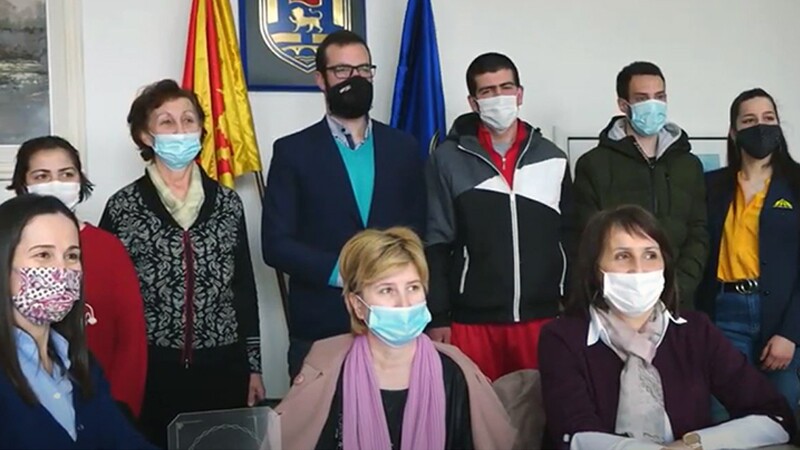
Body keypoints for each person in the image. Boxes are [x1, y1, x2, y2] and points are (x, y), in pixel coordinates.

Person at [538, 205, 795, 449]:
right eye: (622, 256)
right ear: (596, 270)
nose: (638, 269)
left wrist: (693, 444)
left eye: (650, 255)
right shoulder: (562, 338)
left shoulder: (695, 331)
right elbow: (575, 437)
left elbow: (775, 417)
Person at [99, 79, 264, 447]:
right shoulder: (123, 207)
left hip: (223, 369)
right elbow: (105, 299)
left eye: (188, 120)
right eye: (167, 122)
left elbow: (244, 289)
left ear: (202, 129)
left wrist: (254, 366)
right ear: (145, 135)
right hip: (150, 370)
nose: (180, 130)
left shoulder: (227, 204)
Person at [261, 30, 426, 379]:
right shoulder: (292, 152)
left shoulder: (405, 148)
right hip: (321, 327)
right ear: (321, 80)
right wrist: (348, 272)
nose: (355, 78)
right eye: (343, 71)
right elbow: (275, 245)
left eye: (364, 69)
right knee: (322, 431)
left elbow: (419, 230)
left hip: (395, 326)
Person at [274, 227, 516, 450]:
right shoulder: (328, 371)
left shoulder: (455, 372)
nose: (404, 303)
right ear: (357, 306)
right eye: (386, 290)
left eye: (413, 287)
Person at [425, 52, 576, 381]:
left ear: (520, 94)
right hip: (472, 322)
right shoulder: (448, 159)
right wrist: (438, 317)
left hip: (543, 317)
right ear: (473, 101)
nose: (499, 98)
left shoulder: (553, 158)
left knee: (539, 419)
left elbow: (569, 236)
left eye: (506, 88)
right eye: (488, 91)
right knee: (477, 418)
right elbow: (436, 240)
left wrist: (570, 302)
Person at [7, 136, 147, 420]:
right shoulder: (8, 244)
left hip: (100, 401)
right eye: (42, 176)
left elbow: (132, 339)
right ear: (23, 184)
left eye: (66, 174)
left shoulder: (108, 247)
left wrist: (119, 409)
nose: (56, 184)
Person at [0, 194, 155, 448]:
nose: (62, 270)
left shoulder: (82, 364)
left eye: (72, 256)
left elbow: (125, 442)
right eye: (43, 255)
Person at [698, 88, 800, 416]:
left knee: (780, 419)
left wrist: (790, 334)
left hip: (782, 318)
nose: (761, 126)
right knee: (719, 416)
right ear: (733, 131)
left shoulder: (797, 183)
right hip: (726, 317)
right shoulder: (710, 186)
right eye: (750, 120)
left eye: (768, 119)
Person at [573, 61, 708, 309]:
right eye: (642, 98)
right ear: (624, 105)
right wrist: (623, 291)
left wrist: (676, 287)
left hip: (679, 300)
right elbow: (589, 237)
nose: (653, 105)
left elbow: (698, 233)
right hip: (617, 300)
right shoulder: (594, 164)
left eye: (659, 97)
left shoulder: (689, 165)